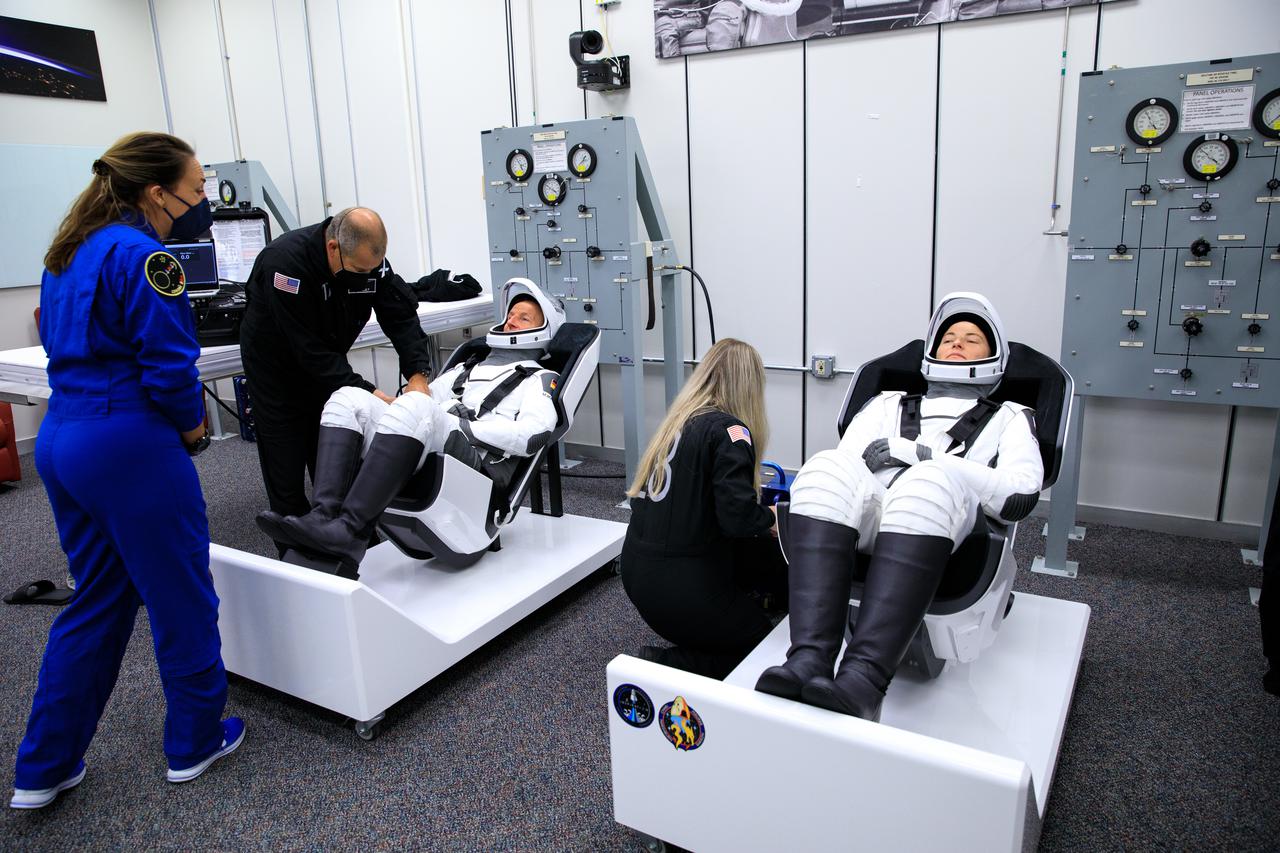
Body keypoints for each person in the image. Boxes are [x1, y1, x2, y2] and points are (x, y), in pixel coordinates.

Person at [11, 133, 244, 810]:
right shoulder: (149, 257)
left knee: (99, 597)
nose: (203, 201)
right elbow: (170, 366)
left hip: (62, 439)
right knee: (181, 594)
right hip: (128, 442)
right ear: (155, 191)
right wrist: (195, 429)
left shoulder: (66, 252)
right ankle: (197, 739)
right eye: (198, 189)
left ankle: (42, 766)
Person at [755, 292, 1043, 721]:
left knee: (926, 482)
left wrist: (923, 456)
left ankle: (864, 681)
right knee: (824, 467)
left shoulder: (1010, 417)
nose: (957, 343)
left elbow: (1018, 496)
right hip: (876, 512)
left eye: (971, 338)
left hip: (953, 521)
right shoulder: (887, 403)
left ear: (994, 356)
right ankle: (808, 660)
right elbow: (849, 467)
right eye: (948, 337)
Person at [254, 278, 563, 577]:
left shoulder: (537, 378)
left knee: (419, 406)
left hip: (478, 464)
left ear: (543, 329)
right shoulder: (468, 366)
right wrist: (397, 404)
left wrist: (467, 428)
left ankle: (350, 531)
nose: (511, 322)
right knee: (348, 399)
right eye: (511, 315)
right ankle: (325, 516)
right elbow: (422, 398)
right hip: (437, 437)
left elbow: (532, 436)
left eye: (523, 318)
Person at [239, 206, 476, 551]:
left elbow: (401, 318)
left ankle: (355, 546)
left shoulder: (370, 265)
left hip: (328, 363)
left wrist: (417, 375)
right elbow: (307, 351)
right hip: (279, 375)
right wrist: (369, 391)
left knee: (336, 467)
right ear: (334, 247)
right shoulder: (284, 264)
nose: (367, 275)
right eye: (359, 270)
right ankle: (297, 564)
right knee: (286, 474)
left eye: (372, 269)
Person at [621, 338, 783, 679]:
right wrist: (774, 519)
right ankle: (669, 665)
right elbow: (738, 519)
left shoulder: (676, 424)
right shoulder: (732, 430)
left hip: (638, 576)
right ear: (749, 384)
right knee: (763, 650)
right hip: (683, 590)